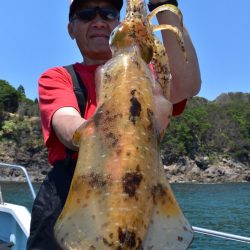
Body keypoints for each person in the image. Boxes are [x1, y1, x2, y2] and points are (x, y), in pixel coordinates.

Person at [27, 0, 201, 249]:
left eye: (108, 14)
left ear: (118, 24)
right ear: (71, 29)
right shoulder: (58, 77)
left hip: (137, 191)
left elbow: (188, 85)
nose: (98, 21)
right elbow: (66, 123)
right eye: (86, 15)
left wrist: (165, 6)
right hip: (68, 197)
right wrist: (95, 128)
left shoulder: (147, 77)